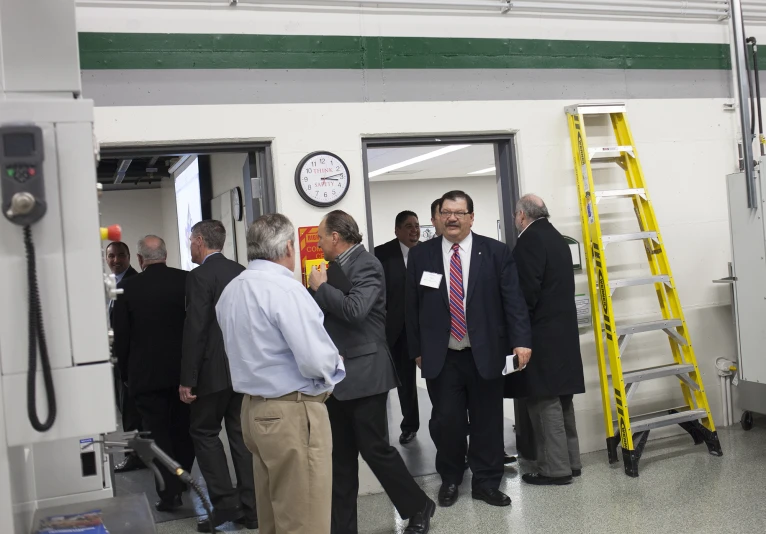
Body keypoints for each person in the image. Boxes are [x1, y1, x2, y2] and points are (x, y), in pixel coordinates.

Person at [216, 213, 345, 534]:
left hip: (254, 411)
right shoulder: (285, 291)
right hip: (292, 413)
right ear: (289, 246)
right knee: (304, 521)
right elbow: (316, 359)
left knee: (274, 517)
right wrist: (335, 367)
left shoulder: (233, 290)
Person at [309, 210, 435, 534]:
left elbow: (355, 310)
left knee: (376, 451)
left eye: (322, 236)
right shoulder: (335, 269)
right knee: (341, 459)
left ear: (335, 237)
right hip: (337, 378)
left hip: (366, 374)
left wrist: (322, 288)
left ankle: (419, 506)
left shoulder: (367, 264)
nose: (319, 242)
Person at [405, 190, 531, 508]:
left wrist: (522, 341)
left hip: (484, 352)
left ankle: (486, 482)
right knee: (448, 422)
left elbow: (513, 301)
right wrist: (417, 349)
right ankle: (450, 478)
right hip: (442, 356)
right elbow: (411, 307)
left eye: (459, 213)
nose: (452, 218)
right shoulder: (422, 256)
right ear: (438, 217)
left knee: (487, 421)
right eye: (446, 212)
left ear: (471, 218)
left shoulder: (496, 252)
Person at [179, 220, 257, 532]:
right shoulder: (242, 271)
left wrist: (188, 377)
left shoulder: (199, 276)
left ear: (199, 240)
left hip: (210, 374)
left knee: (204, 433)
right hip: (242, 370)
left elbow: (196, 328)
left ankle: (226, 506)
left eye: (191, 241)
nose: (190, 247)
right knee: (241, 437)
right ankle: (253, 510)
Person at [506, 194, 585, 485]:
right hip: (562, 334)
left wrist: (516, 333)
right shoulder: (556, 237)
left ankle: (554, 468)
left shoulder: (529, 242)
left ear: (522, 216)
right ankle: (571, 461)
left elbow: (525, 293)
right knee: (563, 398)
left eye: (516, 215)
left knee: (543, 400)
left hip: (539, 334)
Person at [112, 235, 195, 511]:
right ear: (166, 254)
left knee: (156, 434)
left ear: (139, 259)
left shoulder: (127, 288)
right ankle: (182, 478)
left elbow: (121, 338)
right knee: (183, 429)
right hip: (185, 373)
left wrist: (125, 373)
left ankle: (169, 493)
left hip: (145, 376)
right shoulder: (187, 281)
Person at [374, 210, 421, 445]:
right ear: (397, 230)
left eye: (417, 225)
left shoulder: (426, 253)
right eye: (408, 226)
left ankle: (413, 425)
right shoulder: (383, 254)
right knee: (398, 380)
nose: (414, 230)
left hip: (421, 329)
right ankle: (390, 428)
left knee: (420, 381)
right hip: (392, 330)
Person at [105, 241, 144, 473]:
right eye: (111, 256)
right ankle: (137, 454)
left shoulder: (132, 283)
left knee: (130, 413)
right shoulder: (113, 283)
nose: (116, 260)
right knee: (127, 411)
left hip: (129, 360)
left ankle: (134, 456)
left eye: (120, 255)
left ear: (130, 257)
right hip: (119, 357)